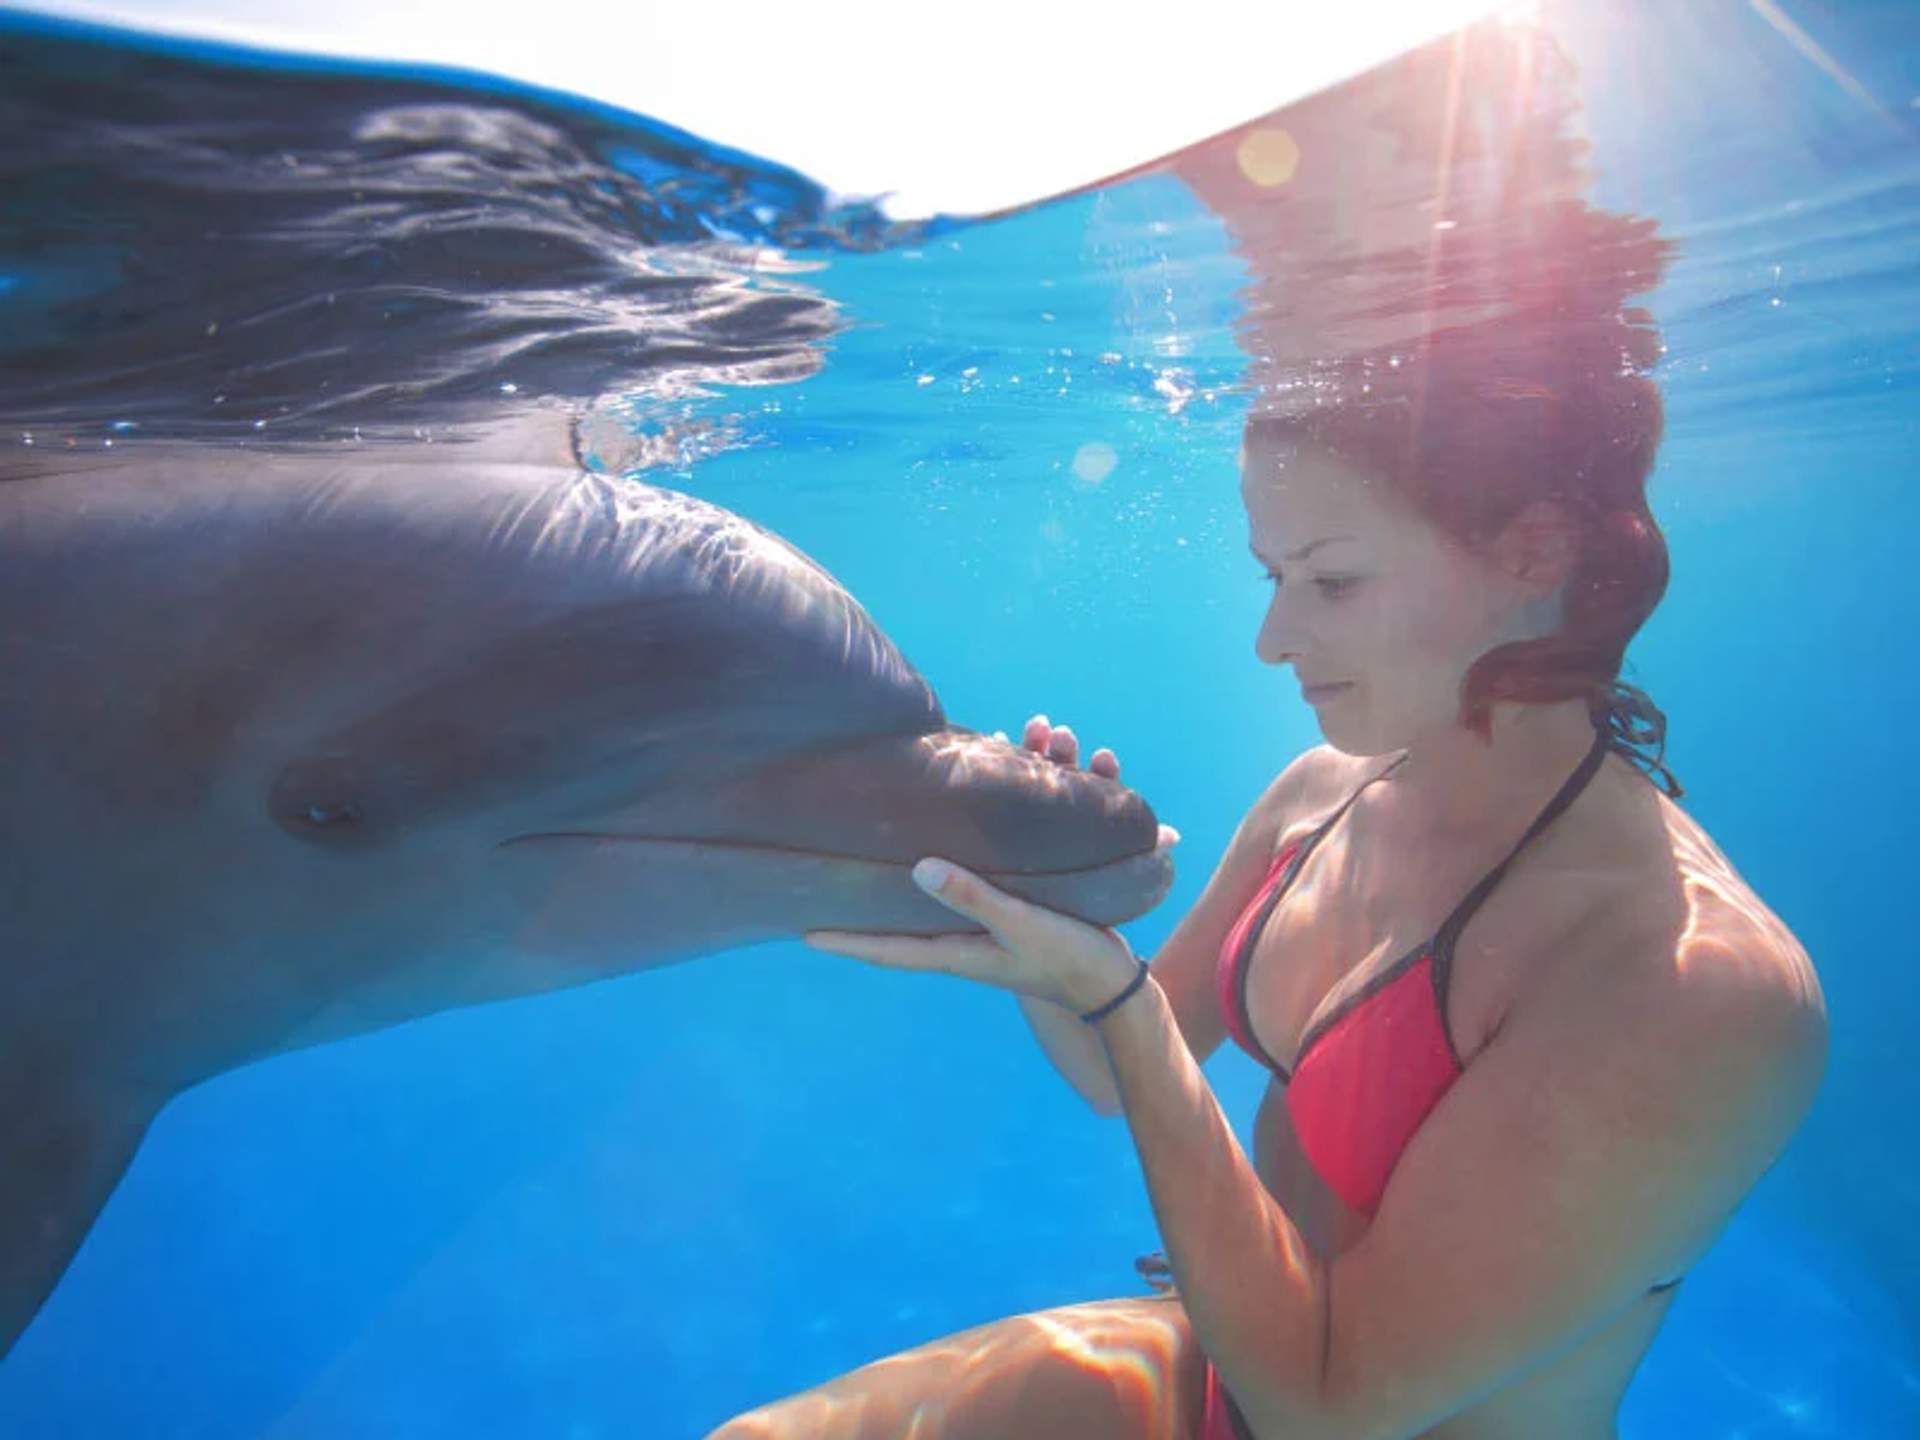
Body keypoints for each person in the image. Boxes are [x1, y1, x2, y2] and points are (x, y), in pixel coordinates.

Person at [705, 316, 1826, 1438]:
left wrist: (1117, 1001)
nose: (1273, 638)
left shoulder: (1689, 984)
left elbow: (1327, 1406)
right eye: (1273, 576)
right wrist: (1045, 905)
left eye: (1332, 582)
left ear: (1533, 555)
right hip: (1219, 1369)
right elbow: (1111, 1068)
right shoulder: (1320, 794)